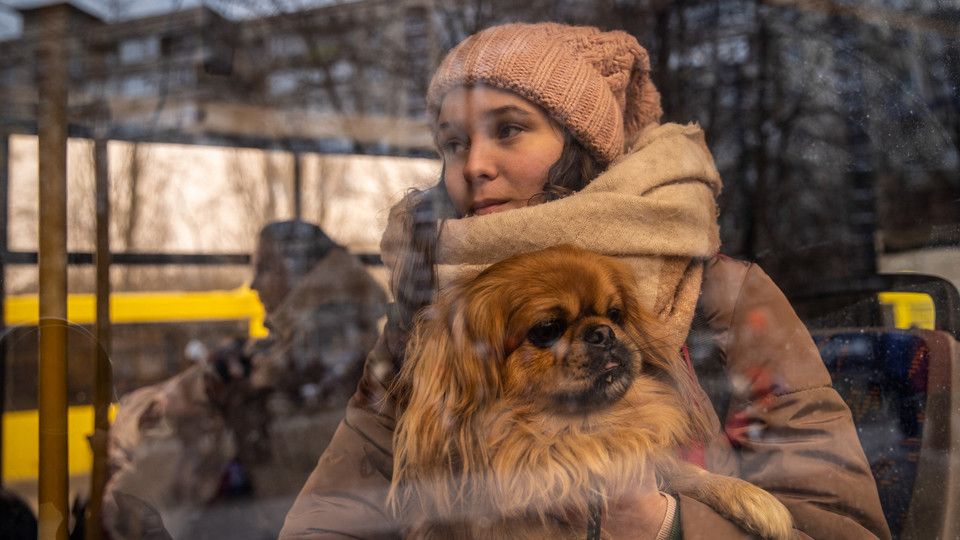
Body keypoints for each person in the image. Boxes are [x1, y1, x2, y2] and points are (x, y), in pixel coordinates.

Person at [280, 23, 890, 539]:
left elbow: (841, 526)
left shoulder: (719, 297)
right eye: (453, 142)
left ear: (579, 139)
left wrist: (660, 522)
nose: (475, 165)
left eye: (508, 129)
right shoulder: (428, 313)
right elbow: (333, 513)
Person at [103, 220, 387, 540]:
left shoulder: (321, 356)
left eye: (265, 268)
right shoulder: (285, 350)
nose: (253, 285)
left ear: (303, 275)